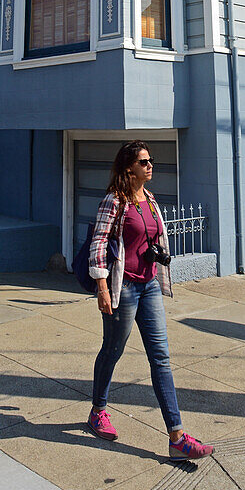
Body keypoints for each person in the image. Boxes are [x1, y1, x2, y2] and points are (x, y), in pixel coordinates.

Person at [87, 140, 213, 462]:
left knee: (161, 358)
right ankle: (98, 410)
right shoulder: (114, 201)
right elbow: (99, 242)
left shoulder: (150, 200)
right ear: (129, 167)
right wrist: (102, 286)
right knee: (112, 351)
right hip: (124, 288)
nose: (150, 165)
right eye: (144, 162)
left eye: (150, 160)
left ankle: (177, 436)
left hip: (149, 286)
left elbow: (152, 236)